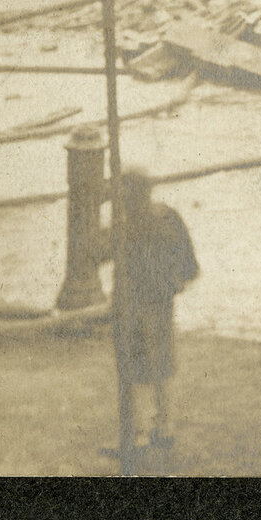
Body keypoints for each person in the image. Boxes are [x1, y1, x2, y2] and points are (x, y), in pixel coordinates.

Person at [100, 169, 199, 454]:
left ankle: (139, 433)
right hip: (159, 301)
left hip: (133, 303)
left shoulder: (126, 225)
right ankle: (164, 426)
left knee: (132, 366)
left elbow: (95, 251)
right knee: (160, 362)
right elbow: (189, 262)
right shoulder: (166, 216)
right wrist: (176, 284)